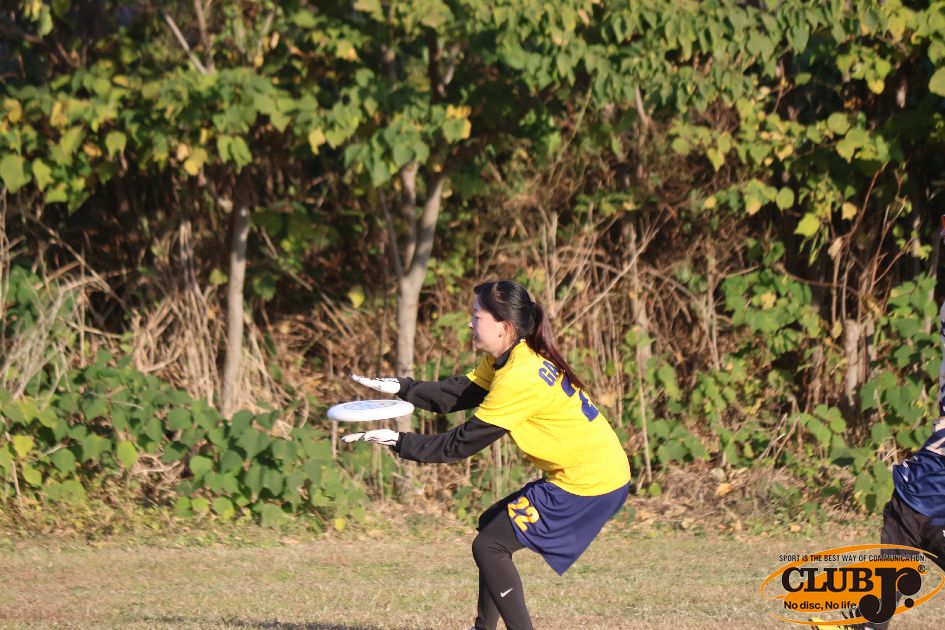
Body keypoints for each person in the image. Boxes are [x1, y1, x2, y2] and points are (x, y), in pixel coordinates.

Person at [342, 280, 631, 630]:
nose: (469, 323)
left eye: (476, 316)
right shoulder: (514, 356)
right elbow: (457, 394)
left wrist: (398, 441)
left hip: (589, 482)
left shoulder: (519, 377)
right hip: (597, 471)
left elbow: (457, 446)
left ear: (503, 327)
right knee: (492, 526)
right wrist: (404, 388)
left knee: (489, 545)